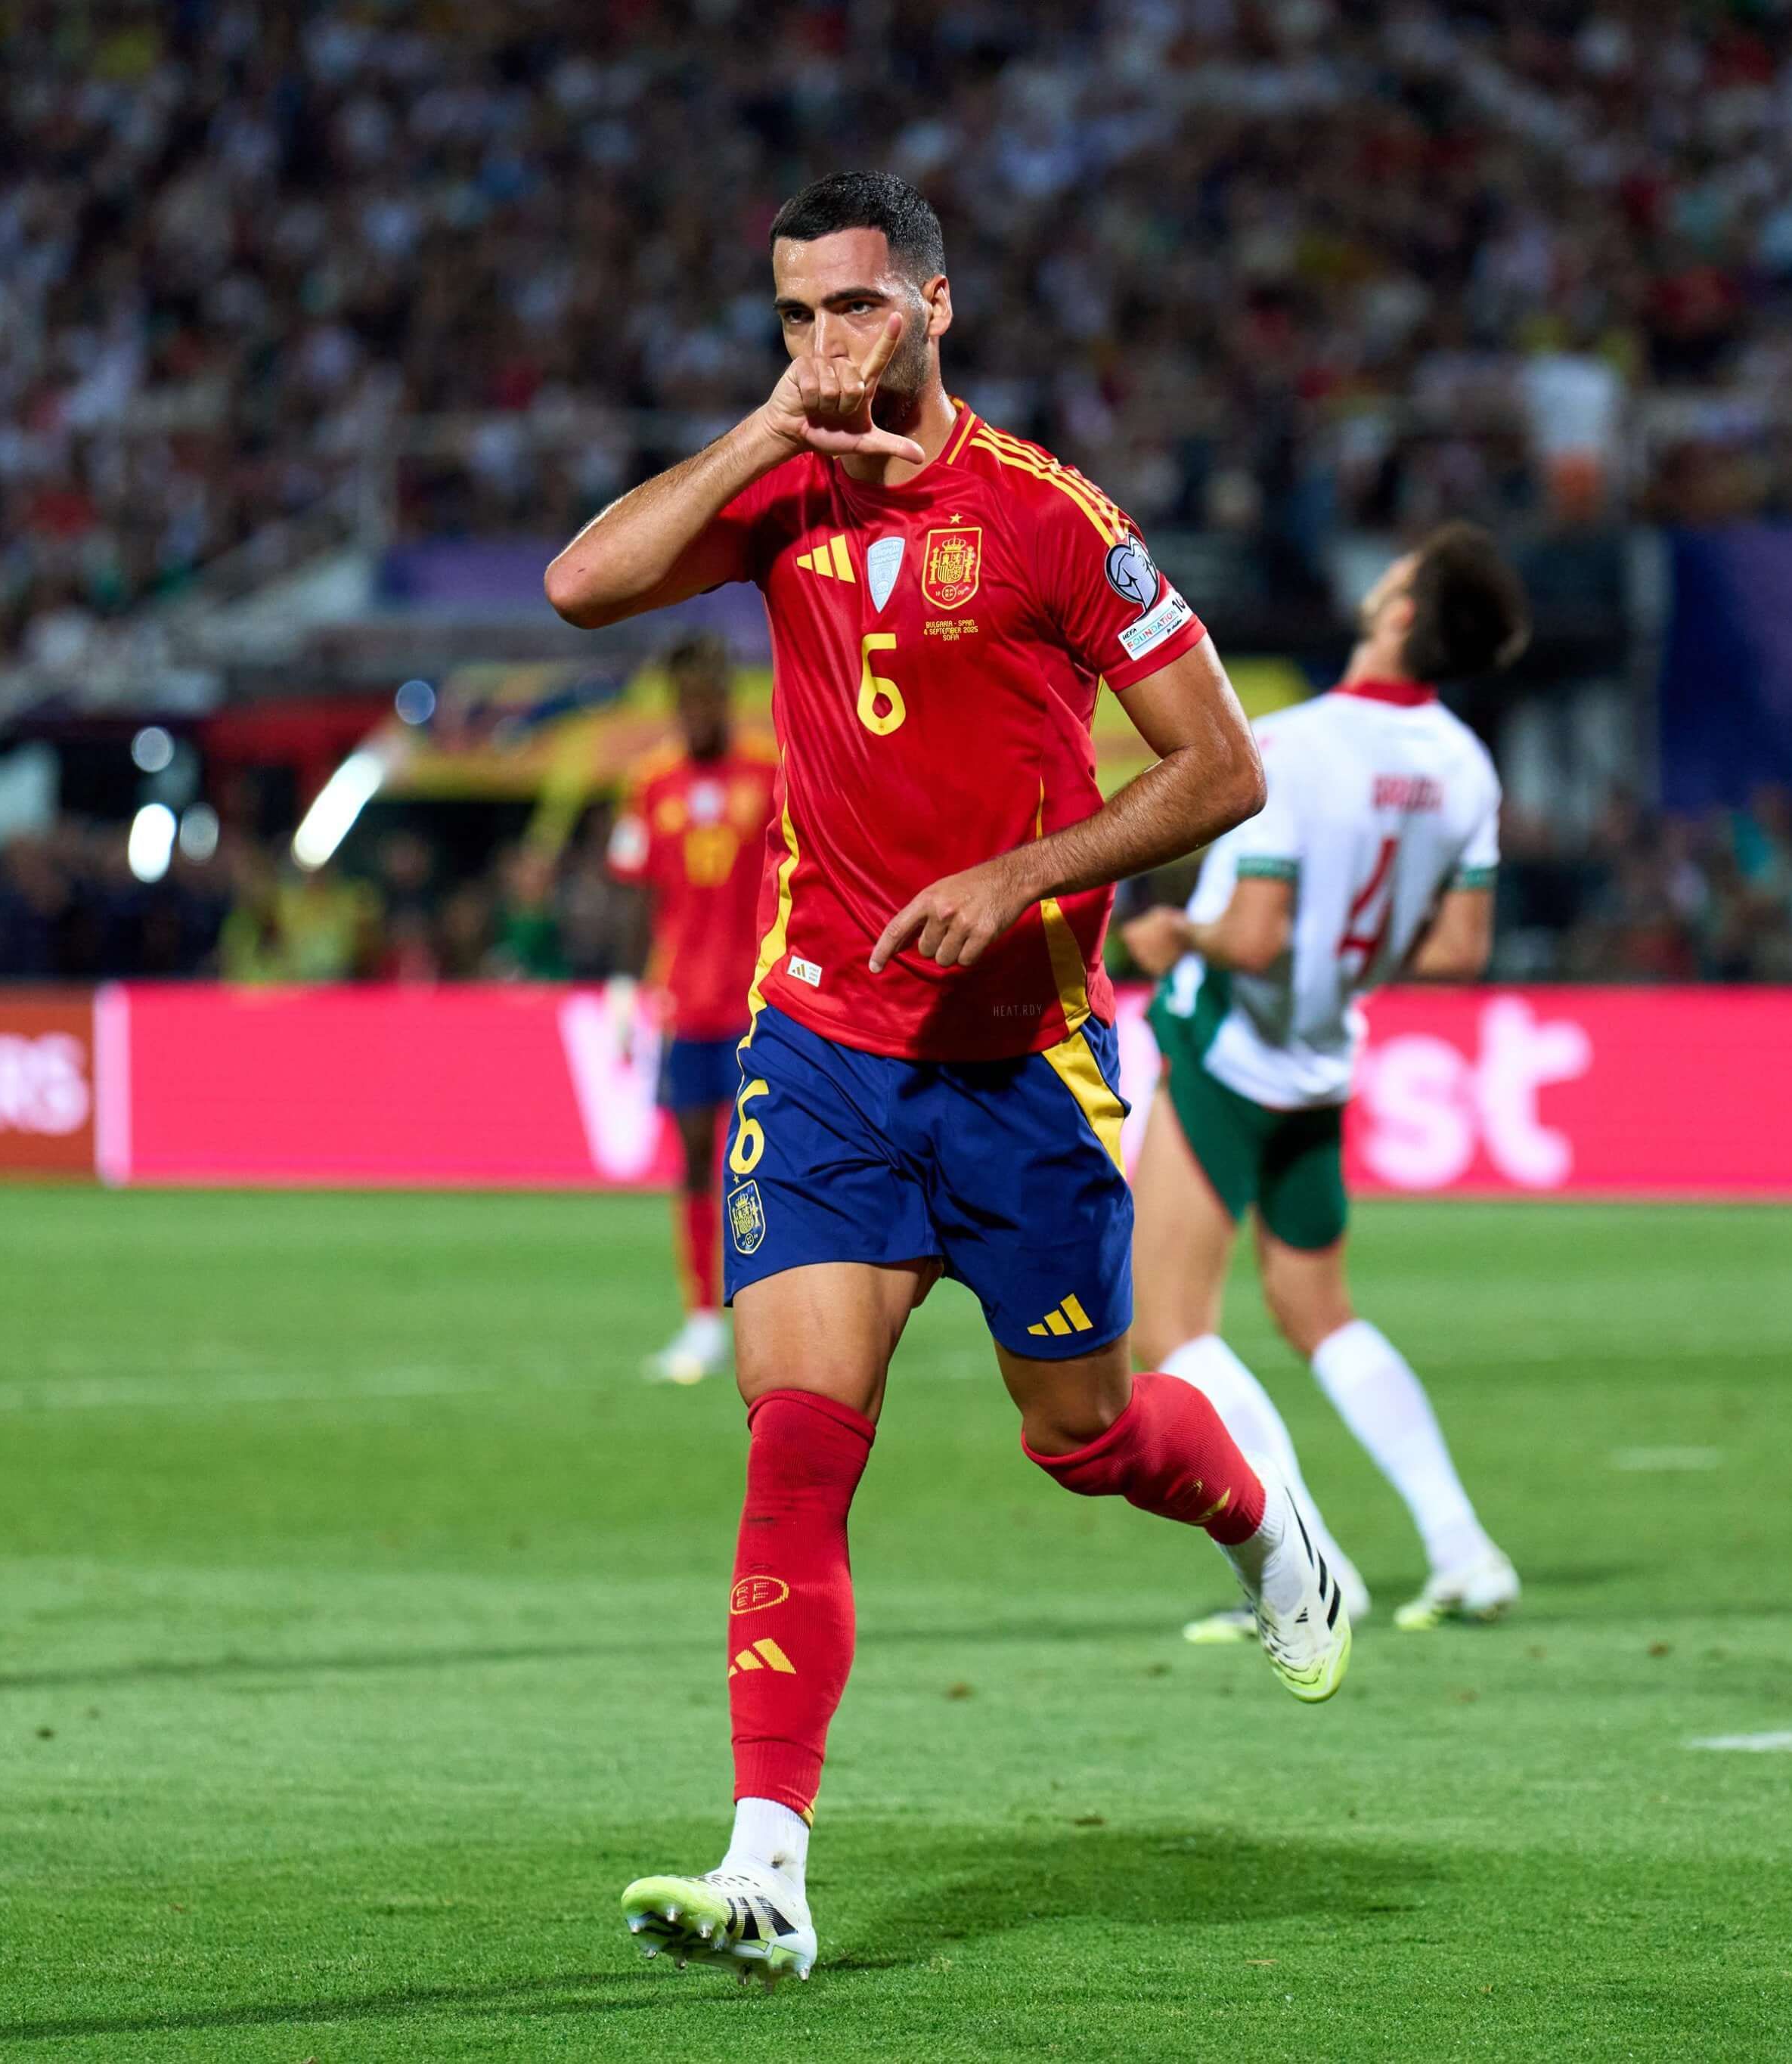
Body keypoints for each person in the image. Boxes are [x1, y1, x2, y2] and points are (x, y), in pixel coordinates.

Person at [542, 171, 1348, 1985]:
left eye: (853, 311)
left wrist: (1023, 879)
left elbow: (1222, 771)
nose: (829, 346)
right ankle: (769, 1866)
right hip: (822, 1047)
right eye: (794, 320)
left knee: (1084, 1440)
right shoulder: (781, 490)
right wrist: (761, 429)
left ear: (934, 305)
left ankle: (1251, 1512)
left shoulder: (1052, 519)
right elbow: (580, 583)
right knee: (798, 1440)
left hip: (1025, 1066)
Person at [1118, 522, 1527, 1640]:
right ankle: (1464, 1548)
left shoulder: (1291, 744)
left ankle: (1310, 1571)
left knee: (1171, 1329)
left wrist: (1171, 937)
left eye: (1393, 573)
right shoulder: (1464, 766)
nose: (1380, 580)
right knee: (1317, 1310)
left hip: (1230, 1051)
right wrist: (1345, 962)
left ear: (1403, 612)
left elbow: (1251, 934)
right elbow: (1457, 952)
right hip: (1322, 1058)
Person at [604, 632, 780, 1383]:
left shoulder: (769, 773)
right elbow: (627, 889)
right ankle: (703, 1320)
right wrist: (620, 981)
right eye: (684, 701)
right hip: (684, 1005)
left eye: (707, 697)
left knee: (768, 1168)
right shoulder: (651, 783)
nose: (695, 712)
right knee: (695, 1165)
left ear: (726, 697)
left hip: (761, 1003)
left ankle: (774, 1318)